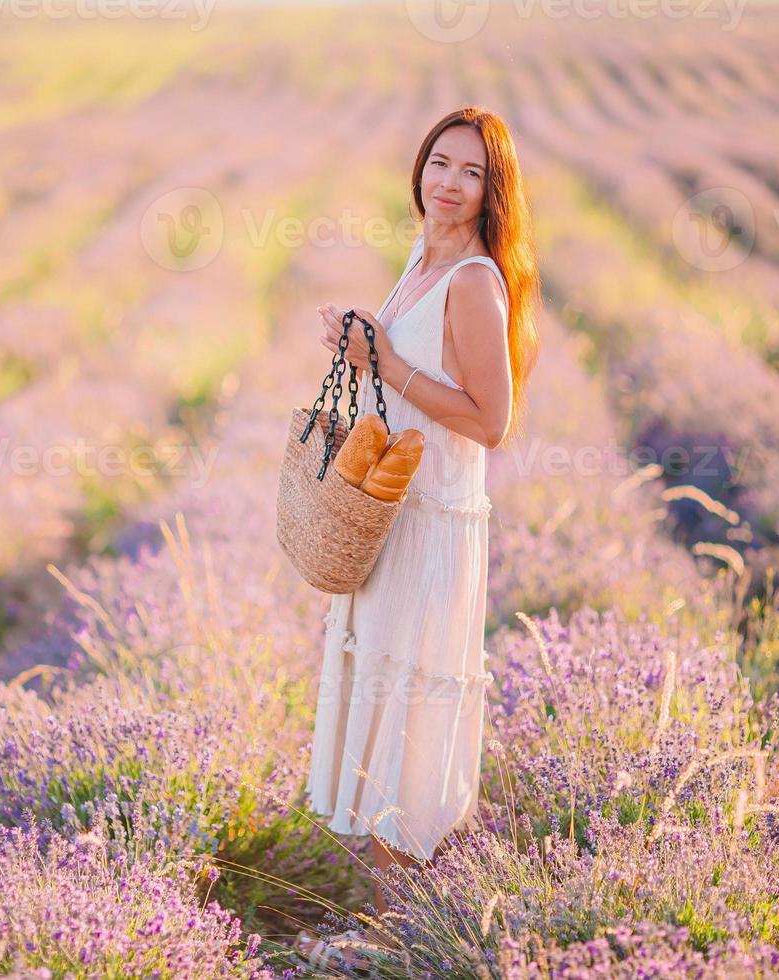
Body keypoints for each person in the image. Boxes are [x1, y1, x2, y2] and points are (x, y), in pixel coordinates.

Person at [296, 105, 541, 969]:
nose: (449, 182)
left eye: (471, 172)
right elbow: (402, 371)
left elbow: (492, 421)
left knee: (409, 717)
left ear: (490, 191)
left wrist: (388, 365)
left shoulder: (474, 278)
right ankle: (386, 928)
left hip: (432, 526)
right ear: (419, 168)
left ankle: (399, 940)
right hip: (391, 513)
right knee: (381, 708)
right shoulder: (420, 257)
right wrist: (363, 341)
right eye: (440, 162)